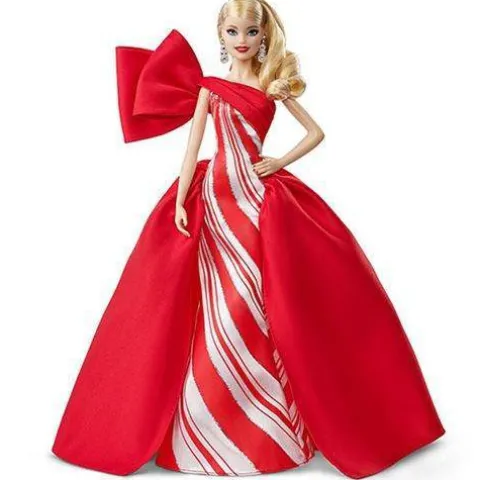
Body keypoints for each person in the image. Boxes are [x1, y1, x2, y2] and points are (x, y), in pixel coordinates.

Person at [51, 0, 445, 477]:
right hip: (216, 195)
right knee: (218, 298)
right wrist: (181, 199)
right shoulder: (209, 89)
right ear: (221, 35)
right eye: (234, 31)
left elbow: (316, 132)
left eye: (251, 32)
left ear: (263, 36)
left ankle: (269, 419)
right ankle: (206, 423)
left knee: (257, 297)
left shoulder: (270, 84)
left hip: (257, 198)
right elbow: (193, 147)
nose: (242, 40)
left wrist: (278, 162)